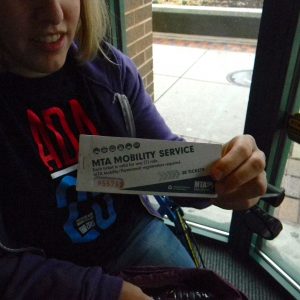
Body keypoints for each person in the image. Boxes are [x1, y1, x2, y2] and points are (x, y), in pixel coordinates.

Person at [0, 1, 267, 299]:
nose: (54, 14)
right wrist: (103, 292)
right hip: (39, 272)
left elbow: (166, 160)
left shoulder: (109, 70)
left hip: (132, 235)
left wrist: (223, 180)